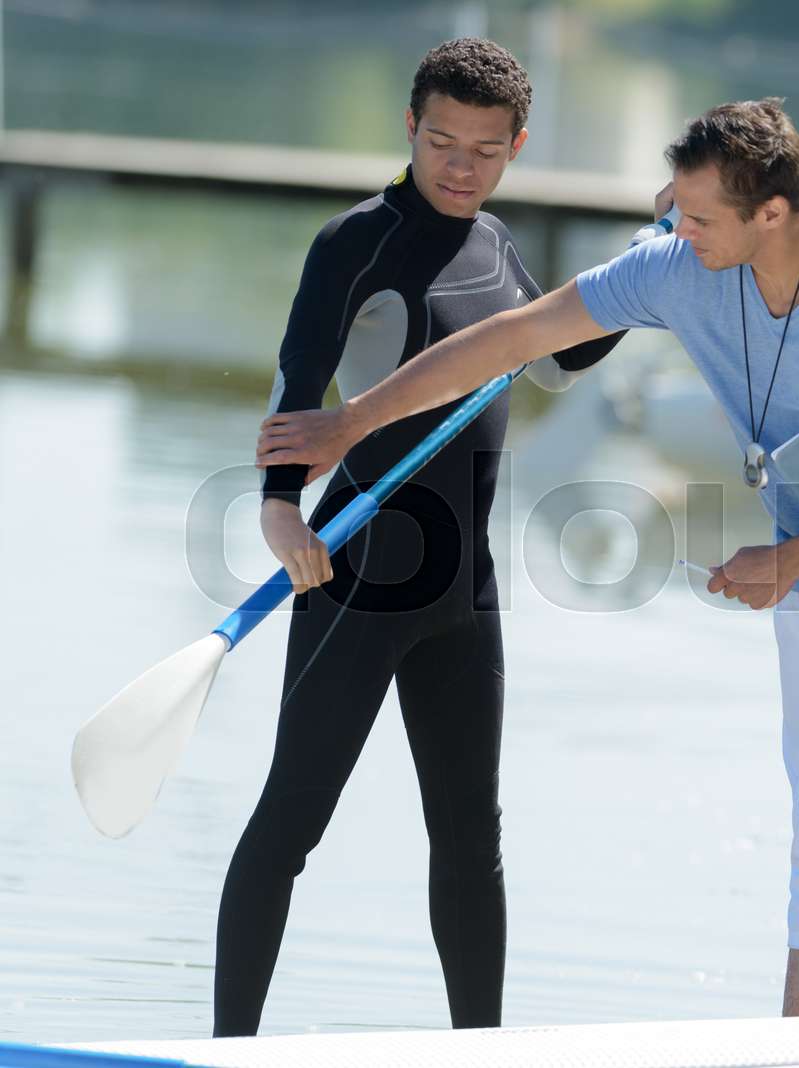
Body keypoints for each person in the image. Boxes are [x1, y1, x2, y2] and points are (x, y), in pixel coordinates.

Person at [256, 97, 799, 1018]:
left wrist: (791, 558)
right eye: (675, 209)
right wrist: (354, 419)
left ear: (774, 213)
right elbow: (517, 335)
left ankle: (796, 1050)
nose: (678, 231)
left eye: (701, 217)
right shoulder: (683, 267)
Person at [215, 38, 622, 1036]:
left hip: (462, 591)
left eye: (485, 150)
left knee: (470, 841)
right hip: (355, 571)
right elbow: (299, 375)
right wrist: (277, 509)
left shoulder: (496, 244)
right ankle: (224, 1052)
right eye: (441, 141)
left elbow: (557, 357)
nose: (459, 166)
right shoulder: (356, 241)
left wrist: (644, 278)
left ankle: (477, 1051)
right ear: (411, 127)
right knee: (289, 827)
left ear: (516, 146)